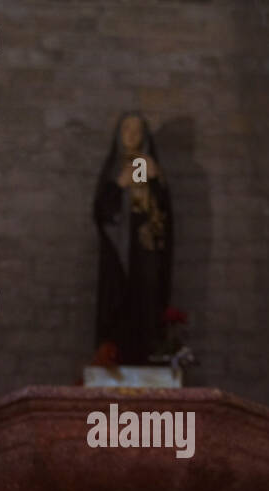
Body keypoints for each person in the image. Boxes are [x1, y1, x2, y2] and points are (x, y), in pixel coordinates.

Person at [92, 111, 174, 366]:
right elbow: (100, 213)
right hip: (119, 255)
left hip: (147, 254)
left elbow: (163, 219)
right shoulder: (113, 170)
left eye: (138, 130)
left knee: (148, 304)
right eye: (126, 129)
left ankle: (150, 355)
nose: (132, 135)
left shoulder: (150, 167)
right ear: (119, 134)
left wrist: (156, 181)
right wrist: (119, 184)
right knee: (116, 302)